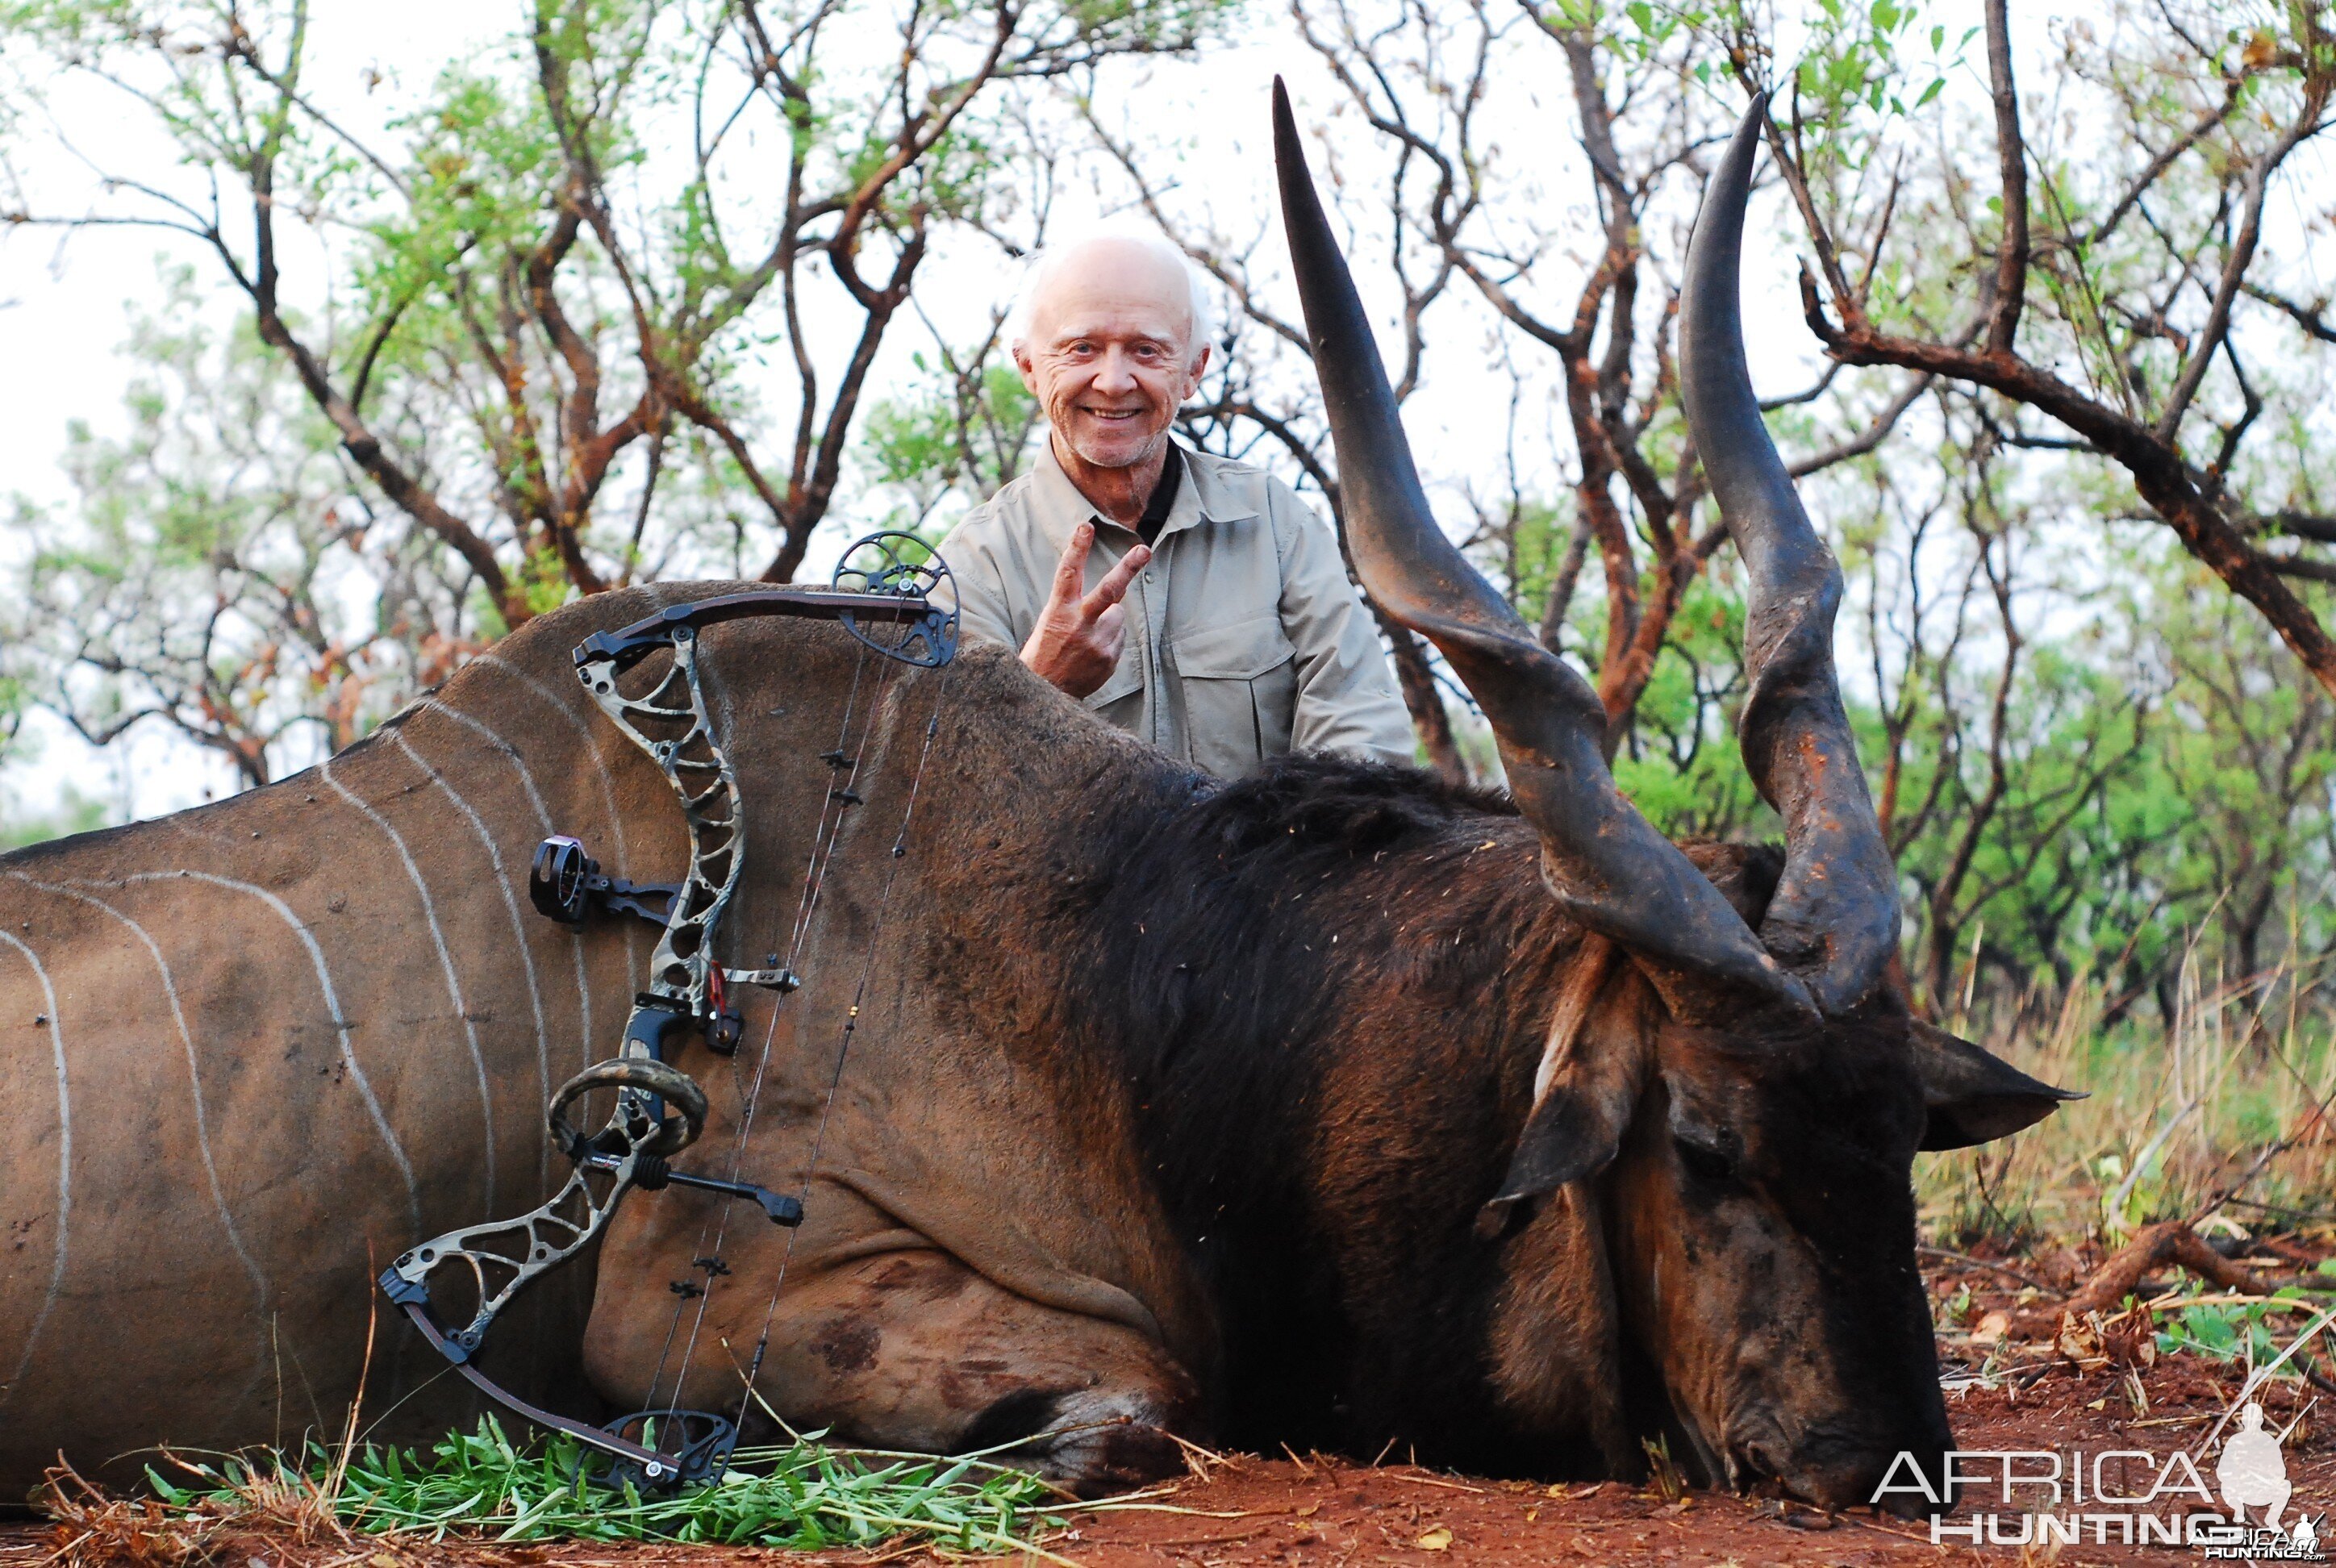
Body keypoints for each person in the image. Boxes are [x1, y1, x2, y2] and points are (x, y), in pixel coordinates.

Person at [935, 224, 1416, 779]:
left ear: (1193, 369)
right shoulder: (971, 570)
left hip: (1269, 865)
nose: (1114, 382)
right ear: (1028, 367)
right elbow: (934, 796)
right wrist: (1041, 685)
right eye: (1082, 348)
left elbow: (1361, 728)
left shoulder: (1275, 523)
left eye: (1146, 349)